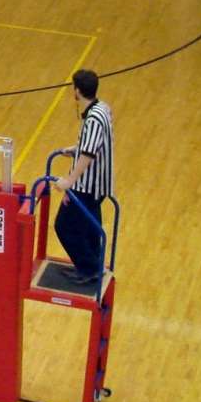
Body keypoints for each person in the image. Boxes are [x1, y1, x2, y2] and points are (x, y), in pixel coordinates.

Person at [52, 70, 114, 285]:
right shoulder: (102, 108)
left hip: (88, 185)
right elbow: (91, 145)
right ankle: (94, 264)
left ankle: (88, 268)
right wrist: (76, 148)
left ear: (77, 91)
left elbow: (89, 154)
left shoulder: (93, 119)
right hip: (100, 184)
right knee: (90, 225)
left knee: (64, 226)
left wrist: (69, 181)